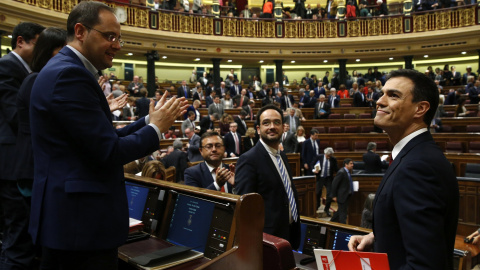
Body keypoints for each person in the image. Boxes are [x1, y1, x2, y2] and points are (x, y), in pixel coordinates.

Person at [28, 3, 188, 269]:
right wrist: (156, 130)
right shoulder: (70, 75)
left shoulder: (65, 70)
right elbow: (110, 152)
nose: (117, 45)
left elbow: (100, 140)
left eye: (119, 38)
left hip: (73, 222)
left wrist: (149, 121)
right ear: (80, 31)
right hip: (79, 225)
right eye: (109, 36)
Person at [348, 69, 459, 270]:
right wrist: (378, 237)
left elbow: (424, 265)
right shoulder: (414, 155)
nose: (379, 101)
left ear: (420, 109)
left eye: (393, 95)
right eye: (382, 93)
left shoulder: (419, 167)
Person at [0, 21, 45, 270]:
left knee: (16, 237)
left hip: (18, 164)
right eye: (39, 44)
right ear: (21, 41)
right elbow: (17, 118)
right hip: (12, 166)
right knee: (18, 241)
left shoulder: (24, 70)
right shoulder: (7, 67)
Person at [235, 104, 301, 249]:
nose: (272, 126)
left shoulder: (282, 156)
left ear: (283, 127)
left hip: (290, 232)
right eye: (266, 123)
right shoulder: (248, 159)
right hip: (266, 240)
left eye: (276, 122)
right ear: (258, 129)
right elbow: (245, 208)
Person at [312, 147, 338, 216]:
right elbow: (312, 164)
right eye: (328, 156)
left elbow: (336, 169)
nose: (329, 157)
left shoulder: (333, 159)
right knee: (317, 193)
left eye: (330, 156)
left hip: (329, 179)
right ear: (325, 153)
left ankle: (326, 209)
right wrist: (314, 170)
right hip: (320, 178)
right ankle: (317, 206)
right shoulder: (319, 157)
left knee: (329, 194)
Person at [330, 158, 354, 224]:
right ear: (346, 164)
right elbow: (334, 184)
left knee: (340, 211)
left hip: (346, 195)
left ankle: (331, 222)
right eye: (351, 164)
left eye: (352, 163)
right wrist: (334, 195)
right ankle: (342, 228)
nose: (352, 165)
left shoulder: (348, 172)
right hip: (342, 196)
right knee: (343, 214)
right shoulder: (341, 172)